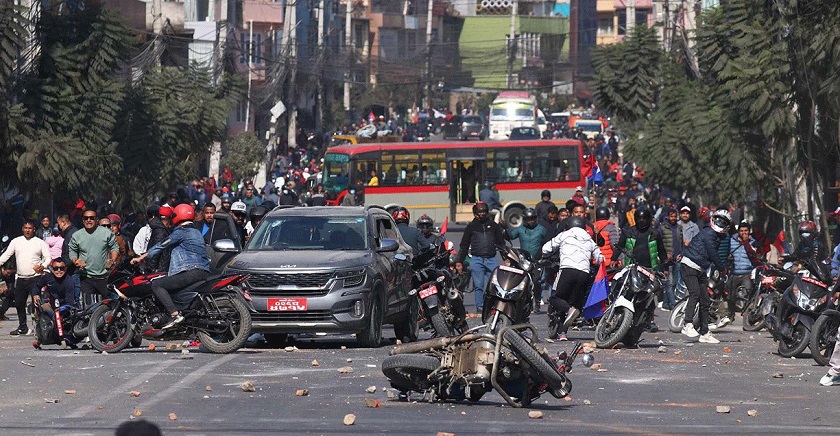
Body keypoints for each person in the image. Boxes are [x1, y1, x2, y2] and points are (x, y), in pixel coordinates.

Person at [132, 204, 211, 330]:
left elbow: (161, 245)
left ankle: (174, 315)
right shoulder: (196, 231)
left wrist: (141, 258)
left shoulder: (181, 232)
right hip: (203, 271)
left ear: (177, 216)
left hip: (190, 271)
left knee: (157, 284)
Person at [541, 216, 605, 340]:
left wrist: (545, 256)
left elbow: (546, 248)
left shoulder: (565, 234)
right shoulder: (589, 239)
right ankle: (563, 333)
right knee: (574, 303)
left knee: (555, 298)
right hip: (584, 274)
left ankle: (568, 310)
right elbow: (600, 258)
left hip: (567, 270)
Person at [610, 208, 667, 331]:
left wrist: (665, 265)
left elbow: (662, 250)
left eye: (644, 218)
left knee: (649, 295)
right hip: (631, 267)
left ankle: (649, 319)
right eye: (639, 218)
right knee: (624, 290)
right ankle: (615, 314)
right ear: (635, 219)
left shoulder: (655, 233)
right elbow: (620, 245)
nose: (642, 221)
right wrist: (614, 258)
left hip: (649, 269)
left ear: (649, 219)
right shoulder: (628, 231)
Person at [680, 209, 731, 344]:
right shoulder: (709, 233)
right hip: (689, 266)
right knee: (695, 294)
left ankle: (704, 333)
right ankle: (687, 324)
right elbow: (713, 253)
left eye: (723, 222)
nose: (720, 223)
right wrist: (721, 268)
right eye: (718, 220)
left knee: (705, 301)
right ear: (713, 219)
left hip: (700, 269)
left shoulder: (717, 236)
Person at [0, 220, 51, 335]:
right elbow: (5, 256)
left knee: (36, 304)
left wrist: (42, 266)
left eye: (30, 228)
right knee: (19, 303)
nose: (27, 230)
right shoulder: (16, 242)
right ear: (22, 229)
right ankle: (22, 327)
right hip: (21, 278)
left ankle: (40, 327)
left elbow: (48, 257)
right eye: (25, 228)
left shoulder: (40, 242)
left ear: (34, 230)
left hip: (35, 278)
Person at [456, 202, 504, 317]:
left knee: (493, 285)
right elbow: (464, 245)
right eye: (480, 212)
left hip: (491, 259)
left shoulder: (493, 226)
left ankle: (491, 305)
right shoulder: (471, 227)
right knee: (479, 285)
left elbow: (501, 243)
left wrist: (506, 258)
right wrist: (459, 261)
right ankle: (480, 306)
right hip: (477, 259)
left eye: (484, 212)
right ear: (475, 213)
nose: (482, 214)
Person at [69, 209, 119, 307]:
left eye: (92, 218)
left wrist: (112, 259)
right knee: (88, 307)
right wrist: (75, 260)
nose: (89, 220)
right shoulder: (77, 235)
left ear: (96, 220)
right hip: (86, 277)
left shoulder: (106, 233)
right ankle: (90, 322)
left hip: (104, 277)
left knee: (109, 306)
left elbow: (114, 247)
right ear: (82, 220)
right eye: (86, 218)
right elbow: (72, 250)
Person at [31, 257, 78, 348]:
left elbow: (70, 302)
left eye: (62, 268)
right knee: (37, 308)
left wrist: (62, 311)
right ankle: (39, 336)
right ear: (52, 269)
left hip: (65, 308)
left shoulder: (69, 281)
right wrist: (35, 294)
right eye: (56, 268)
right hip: (51, 305)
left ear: (66, 269)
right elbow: (36, 286)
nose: (59, 271)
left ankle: (67, 337)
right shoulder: (47, 278)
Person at [722, 221, 760, 328]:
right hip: (734, 273)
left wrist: (746, 242)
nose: (744, 233)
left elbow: (754, 254)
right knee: (730, 296)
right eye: (741, 231)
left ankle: (747, 318)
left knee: (748, 296)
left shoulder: (753, 242)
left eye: (746, 231)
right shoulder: (731, 241)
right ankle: (730, 314)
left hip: (747, 273)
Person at [507, 208, 546, 311]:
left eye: (533, 219)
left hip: (537, 260)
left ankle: (537, 300)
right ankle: (522, 302)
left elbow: (547, 242)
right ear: (524, 219)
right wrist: (503, 228)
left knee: (537, 281)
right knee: (521, 281)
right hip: (523, 259)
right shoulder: (520, 229)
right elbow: (510, 236)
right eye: (528, 219)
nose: (531, 221)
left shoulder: (541, 229)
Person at [659, 207, 684, 311]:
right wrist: (665, 254)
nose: (673, 218)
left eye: (675, 216)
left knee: (674, 283)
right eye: (671, 216)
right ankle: (674, 305)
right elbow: (659, 244)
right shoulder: (662, 228)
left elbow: (681, 243)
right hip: (667, 260)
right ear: (668, 217)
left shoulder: (679, 228)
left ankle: (665, 303)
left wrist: (681, 254)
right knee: (669, 283)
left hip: (677, 259)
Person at [147, 206, 173, 273]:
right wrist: (152, 271)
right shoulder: (161, 232)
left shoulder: (162, 229)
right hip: (159, 271)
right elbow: (155, 252)